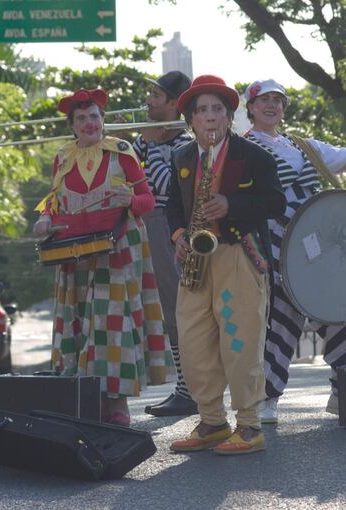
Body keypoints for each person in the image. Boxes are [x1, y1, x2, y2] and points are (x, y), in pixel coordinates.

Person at [242, 79, 346, 424]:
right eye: (264, 100)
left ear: (284, 108)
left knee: (340, 312)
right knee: (280, 322)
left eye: (277, 100)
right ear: (251, 108)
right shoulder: (242, 149)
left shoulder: (303, 146)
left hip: (321, 247)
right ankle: (267, 397)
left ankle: (344, 388)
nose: (271, 106)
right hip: (274, 246)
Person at [33, 88, 174, 427]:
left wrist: (130, 199)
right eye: (81, 118)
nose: (89, 123)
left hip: (118, 252)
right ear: (72, 125)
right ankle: (88, 401)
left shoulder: (121, 152)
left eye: (94, 116)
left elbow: (147, 201)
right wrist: (44, 220)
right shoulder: (62, 157)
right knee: (81, 324)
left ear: (103, 120)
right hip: (75, 254)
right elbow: (54, 202)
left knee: (112, 325)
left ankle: (117, 403)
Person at [166, 75, 285, 455]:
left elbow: (276, 203)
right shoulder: (182, 156)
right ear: (191, 120)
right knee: (194, 342)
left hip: (239, 254)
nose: (211, 117)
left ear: (230, 115)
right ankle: (212, 421)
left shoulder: (255, 156)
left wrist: (232, 204)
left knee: (241, 341)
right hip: (197, 260)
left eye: (218, 109)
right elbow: (172, 206)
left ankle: (249, 425)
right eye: (202, 110)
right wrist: (179, 236)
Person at [132, 71, 199, 417]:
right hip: (150, 227)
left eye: (156, 96)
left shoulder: (183, 143)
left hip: (168, 227)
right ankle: (186, 388)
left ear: (175, 104)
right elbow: (131, 175)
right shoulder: (148, 141)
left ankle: (189, 390)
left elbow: (165, 186)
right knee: (168, 310)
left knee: (176, 310)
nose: (148, 101)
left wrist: (154, 145)